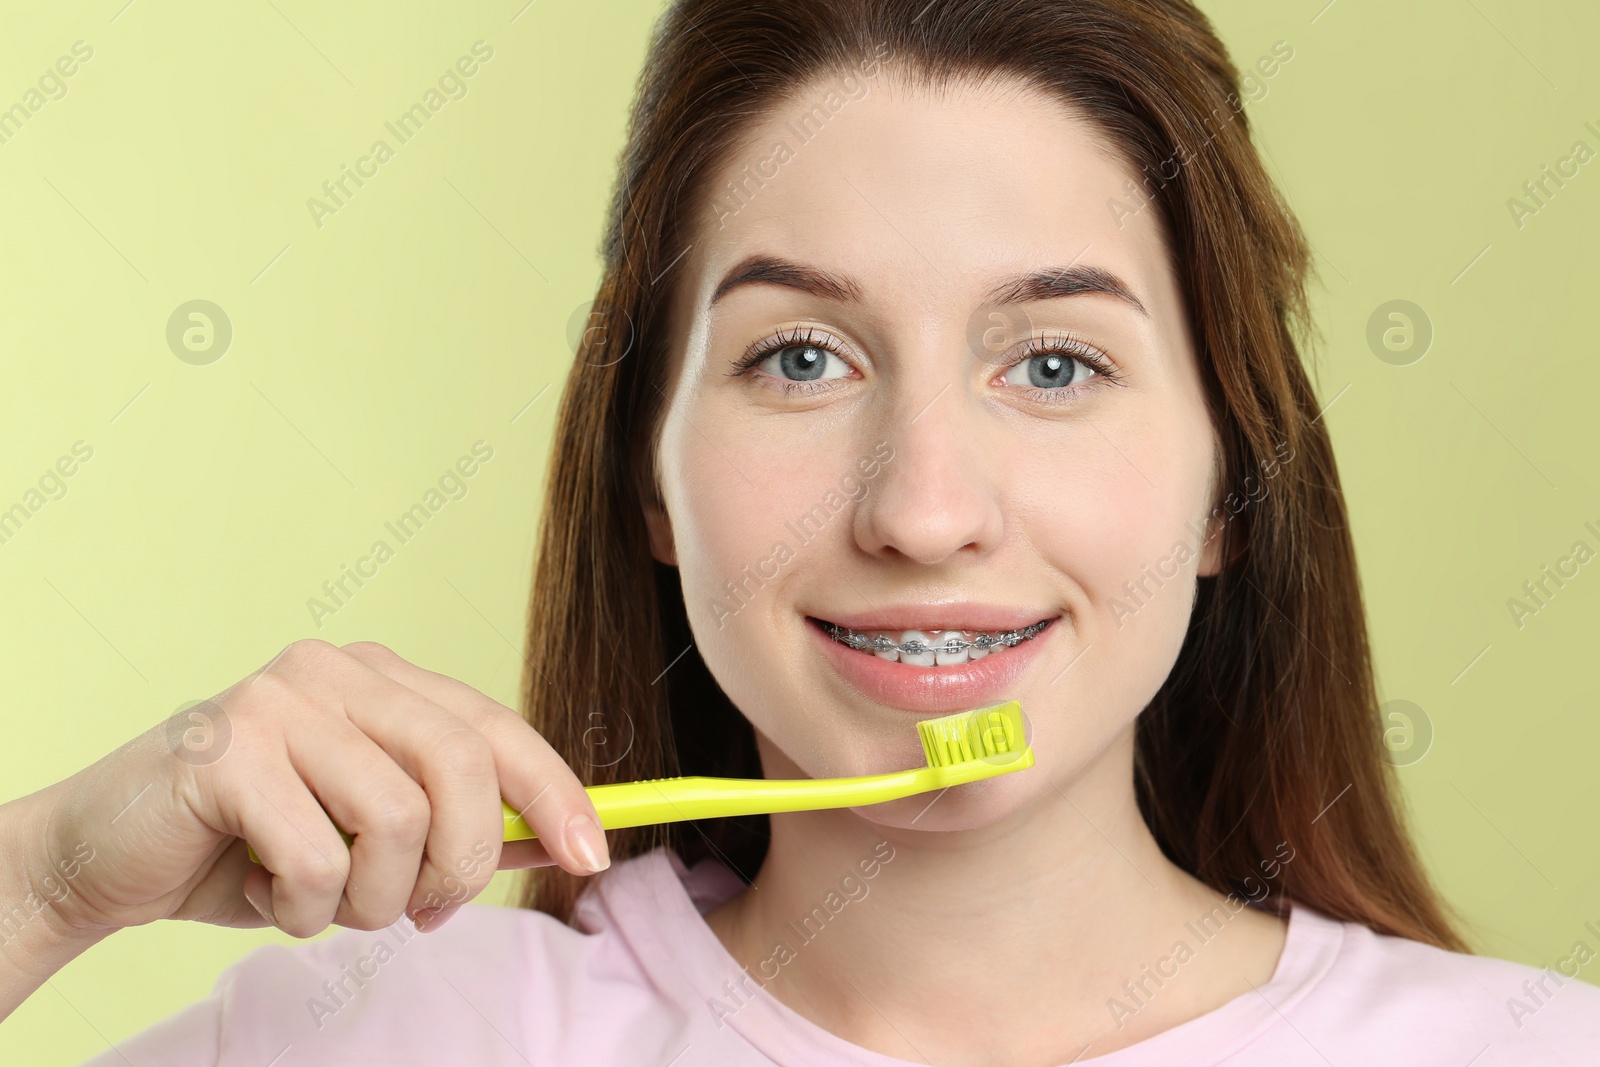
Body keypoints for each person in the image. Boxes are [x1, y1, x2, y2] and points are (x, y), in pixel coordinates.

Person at [4, 0, 1596, 1063]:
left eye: (1054, 364)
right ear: (646, 476)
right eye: (799, 358)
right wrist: (52, 880)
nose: (921, 511)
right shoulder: (392, 1039)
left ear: (1230, 490)